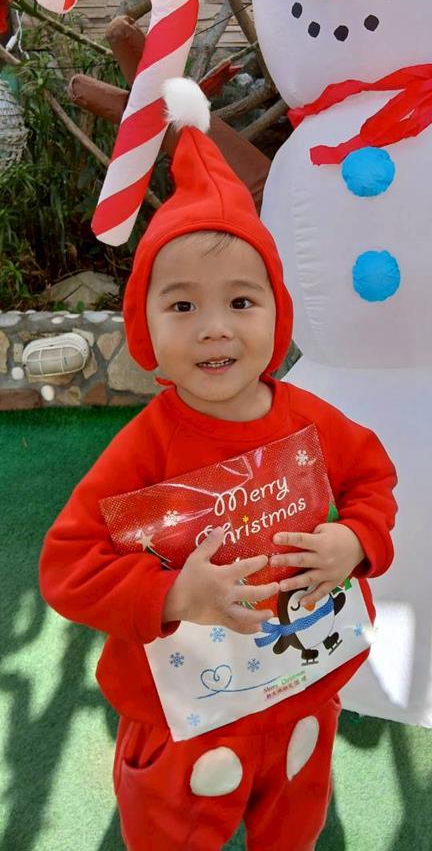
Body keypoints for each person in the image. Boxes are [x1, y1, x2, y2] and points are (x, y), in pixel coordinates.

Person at [39, 79, 398, 851]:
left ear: (277, 313)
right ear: (143, 323)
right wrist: (172, 594)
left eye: (241, 302)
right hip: (185, 717)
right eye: (182, 305)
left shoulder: (312, 420)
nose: (214, 329)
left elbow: (372, 479)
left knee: (292, 828)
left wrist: (357, 539)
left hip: (300, 693)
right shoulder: (145, 448)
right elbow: (68, 565)